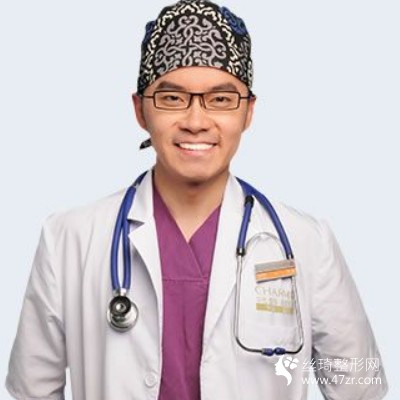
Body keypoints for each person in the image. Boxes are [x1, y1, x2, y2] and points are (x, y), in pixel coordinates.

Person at [6, 0, 388, 399]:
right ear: (140, 110)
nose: (195, 121)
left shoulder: (306, 242)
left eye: (221, 100)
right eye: (172, 98)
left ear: (248, 112)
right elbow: (33, 389)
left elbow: (359, 388)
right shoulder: (68, 239)